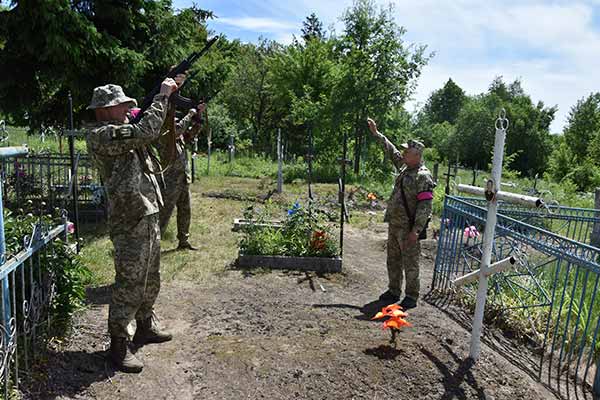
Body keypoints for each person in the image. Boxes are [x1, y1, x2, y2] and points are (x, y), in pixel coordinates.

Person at [85, 78, 179, 373]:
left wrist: (172, 98)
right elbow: (144, 131)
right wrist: (162, 95)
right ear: (104, 110)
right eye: (123, 105)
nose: (129, 108)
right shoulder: (102, 135)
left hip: (147, 210)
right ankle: (118, 346)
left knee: (151, 274)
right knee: (130, 281)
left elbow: (157, 132)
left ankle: (145, 325)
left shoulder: (125, 130)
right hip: (129, 218)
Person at [367, 117, 435, 310]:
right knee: (393, 260)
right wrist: (376, 133)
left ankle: (411, 296)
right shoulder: (405, 167)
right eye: (404, 150)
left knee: (410, 264)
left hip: (408, 228)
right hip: (395, 224)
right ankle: (393, 291)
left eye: (407, 151)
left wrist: (416, 231)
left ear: (417, 154)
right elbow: (391, 151)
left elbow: (425, 206)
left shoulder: (423, 176)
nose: (403, 153)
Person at [156, 102, 205, 250]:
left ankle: (183, 240)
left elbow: (194, 131)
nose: (177, 124)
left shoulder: (180, 139)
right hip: (170, 181)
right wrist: (189, 114)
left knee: (185, 210)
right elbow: (176, 131)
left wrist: (199, 114)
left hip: (183, 179)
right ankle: (154, 243)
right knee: (164, 213)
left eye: (178, 122)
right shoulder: (164, 136)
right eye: (175, 122)